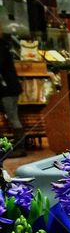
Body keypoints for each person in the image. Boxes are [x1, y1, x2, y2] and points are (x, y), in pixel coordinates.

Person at [0, 25, 24, 157]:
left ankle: (20, 148)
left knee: (13, 118)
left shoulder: (1, 47)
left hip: (8, 89)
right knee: (12, 117)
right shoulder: (5, 46)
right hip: (8, 88)